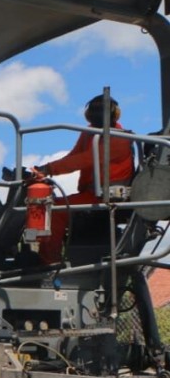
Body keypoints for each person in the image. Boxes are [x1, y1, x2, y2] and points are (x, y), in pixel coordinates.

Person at [31, 94, 135, 263]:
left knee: (56, 211)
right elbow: (73, 157)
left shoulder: (119, 138)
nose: (97, 115)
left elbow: (83, 160)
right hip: (91, 194)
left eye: (100, 111)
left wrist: (47, 169)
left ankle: (49, 262)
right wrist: (43, 171)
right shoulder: (89, 133)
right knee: (48, 203)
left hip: (108, 197)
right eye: (94, 111)